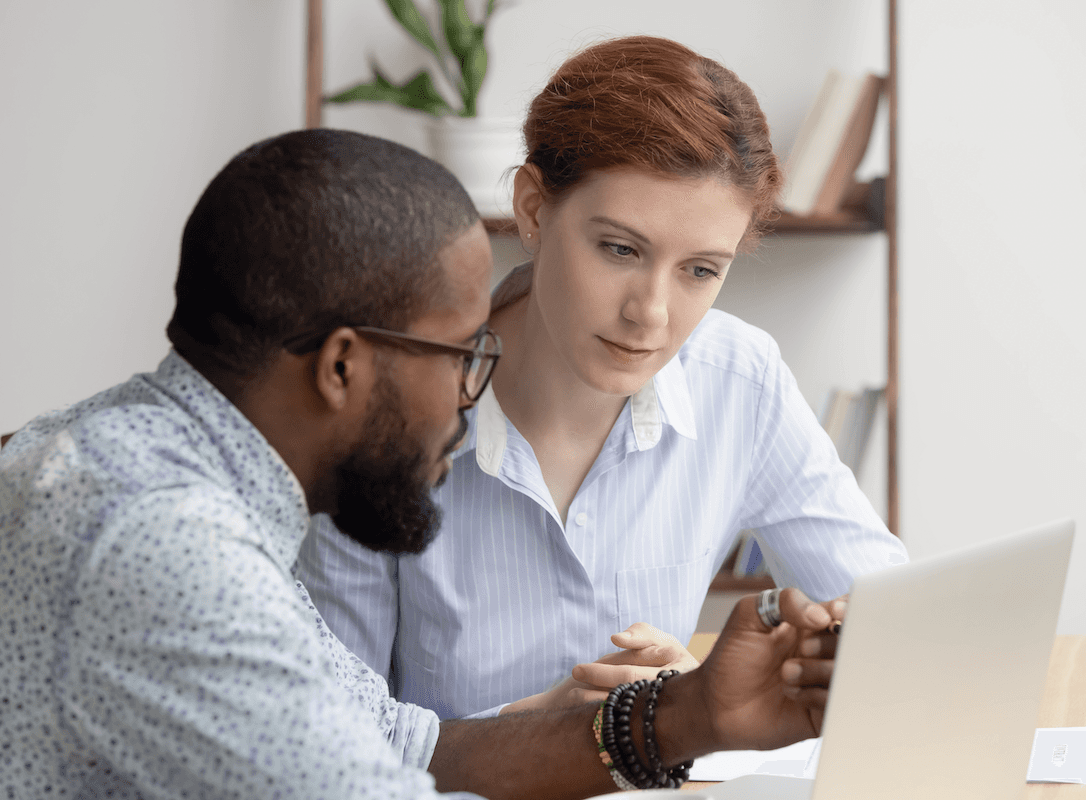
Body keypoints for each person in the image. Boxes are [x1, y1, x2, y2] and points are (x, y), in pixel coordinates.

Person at [0, 128, 843, 800]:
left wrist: (687, 715)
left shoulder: (152, 467)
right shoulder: (164, 543)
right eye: (461, 352)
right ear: (341, 368)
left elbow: (407, 746)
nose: (472, 394)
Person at [297, 34, 908, 722]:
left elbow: (895, 630)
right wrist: (635, 731)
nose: (650, 314)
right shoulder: (384, 413)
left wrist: (696, 700)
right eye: (620, 249)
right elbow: (327, 742)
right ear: (533, 210)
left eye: (701, 270)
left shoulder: (741, 381)